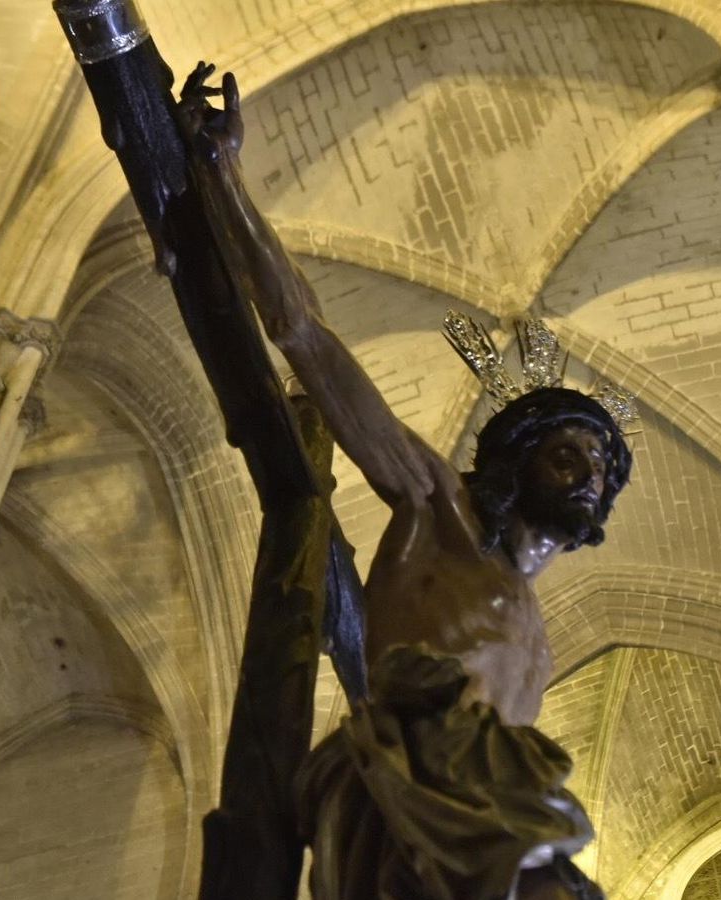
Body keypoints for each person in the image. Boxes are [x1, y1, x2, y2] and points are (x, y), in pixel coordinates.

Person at [175, 62, 633, 900]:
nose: (589, 476)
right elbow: (303, 331)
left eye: (602, 468)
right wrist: (219, 174)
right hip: (417, 806)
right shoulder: (437, 509)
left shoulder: (535, 618)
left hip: (491, 820)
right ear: (517, 456)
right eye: (568, 453)